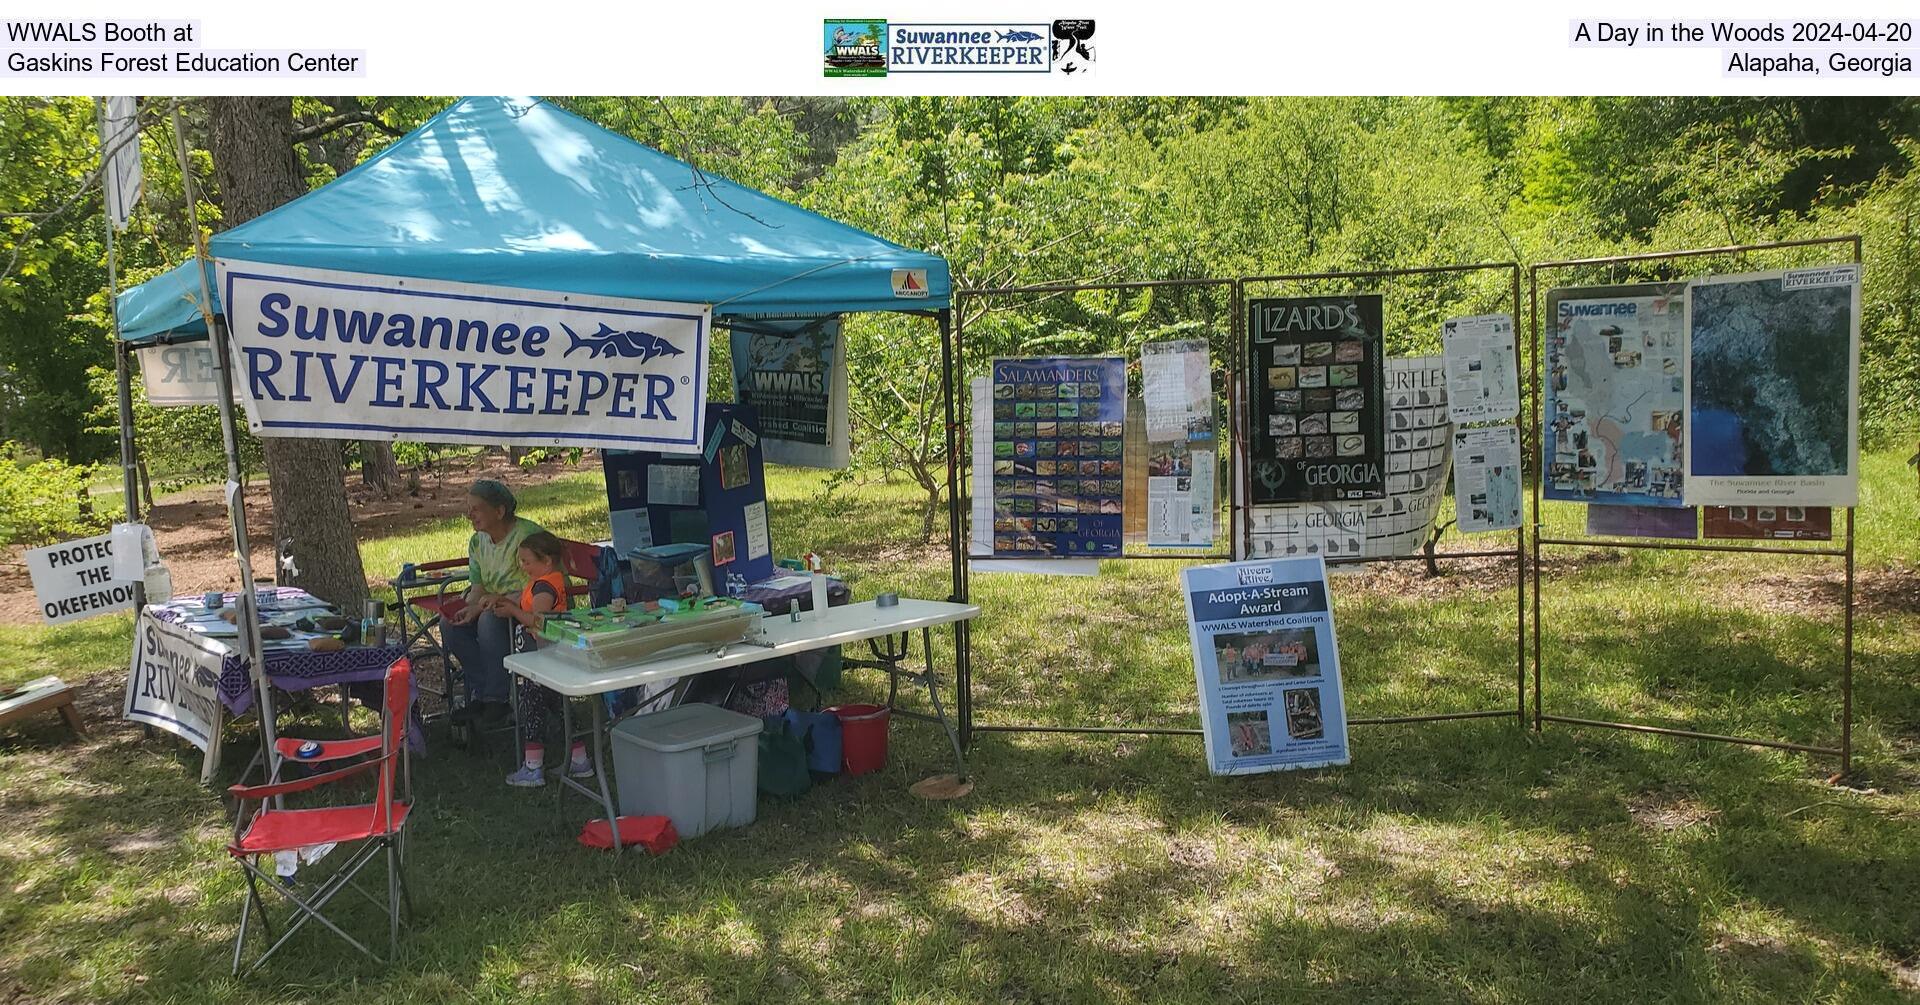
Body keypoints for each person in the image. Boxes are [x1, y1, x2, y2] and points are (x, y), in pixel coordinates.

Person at [488, 531, 593, 787]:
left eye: (526, 562)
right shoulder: (543, 580)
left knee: (532, 708)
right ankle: (580, 760)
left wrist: (512, 610)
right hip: (543, 659)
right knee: (559, 705)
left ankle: (533, 766)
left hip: (543, 660)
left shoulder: (546, 586)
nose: (523, 567)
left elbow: (538, 619)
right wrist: (502, 600)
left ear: (546, 561)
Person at [443, 479, 543, 727]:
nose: (470, 515)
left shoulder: (527, 537)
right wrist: (468, 607)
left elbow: (538, 587)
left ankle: (496, 699)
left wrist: (482, 607)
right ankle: (482, 694)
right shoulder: (478, 542)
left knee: (489, 619)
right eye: (469, 509)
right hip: (494, 605)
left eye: (476, 509)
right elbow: (478, 587)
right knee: (450, 625)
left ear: (499, 511)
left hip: (529, 608)